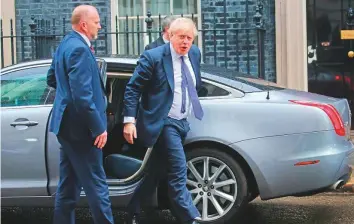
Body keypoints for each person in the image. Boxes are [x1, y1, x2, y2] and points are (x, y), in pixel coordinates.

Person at [123, 17, 203, 224]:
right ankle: (191, 218)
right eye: (181, 37)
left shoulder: (194, 53)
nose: (185, 42)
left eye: (190, 38)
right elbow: (133, 89)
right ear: (170, 36)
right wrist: (129, 121)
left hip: (183, 121)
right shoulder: (154, 57)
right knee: (178, 170)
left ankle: (134, 208)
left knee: (157, 170)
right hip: (164, 122)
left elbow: (196, 84)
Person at [47, 5, 114, 224]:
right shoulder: (80, 49)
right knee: (97, 185)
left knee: (68, 186)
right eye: (96, 22)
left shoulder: (65, 44)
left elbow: (52, 78)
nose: (100, 25)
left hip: (66, 127)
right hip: (81, 130)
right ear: (84, 25)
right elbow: (83, 98)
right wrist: (98, 127)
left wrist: (67, 93)